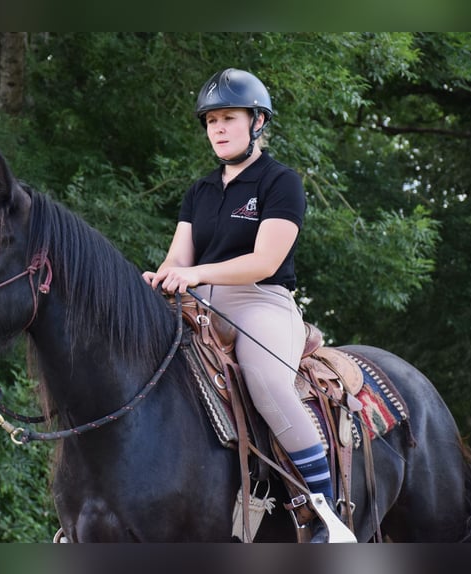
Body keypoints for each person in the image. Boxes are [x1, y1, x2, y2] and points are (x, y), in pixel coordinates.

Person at [143, 68, 347, 543]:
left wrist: (194, 274)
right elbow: (180, 255)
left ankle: (325, 511)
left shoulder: (281, 182)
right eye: (211, 120)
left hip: (261, 301)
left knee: (265, 377)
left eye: (228, 118)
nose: (217, 128)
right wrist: (163, 274)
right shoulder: (200, 190)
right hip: (199, 303)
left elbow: (264, 260)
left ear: (257, 122)